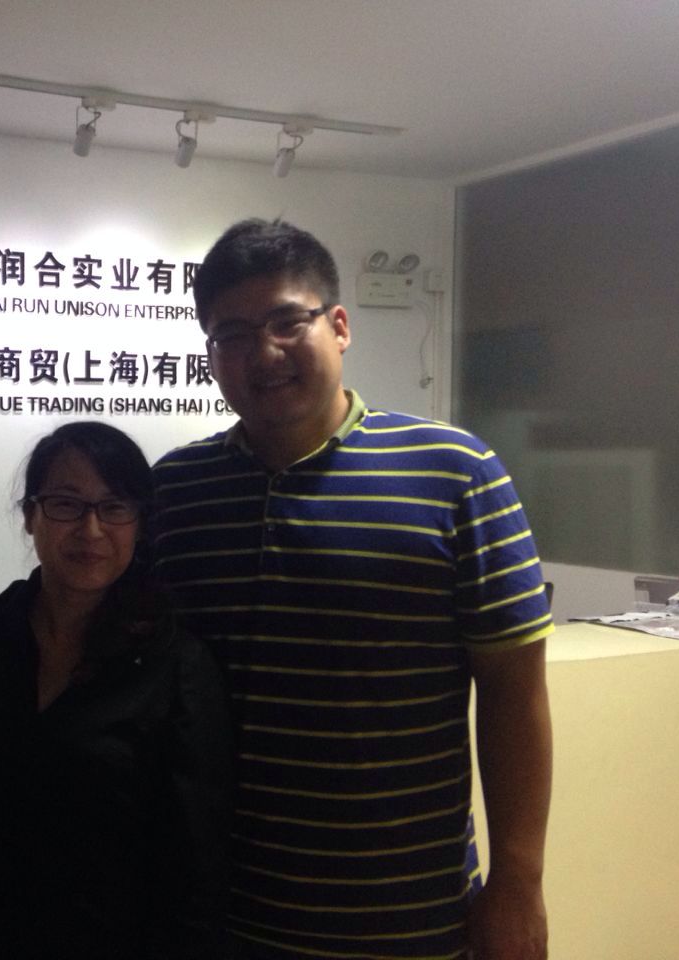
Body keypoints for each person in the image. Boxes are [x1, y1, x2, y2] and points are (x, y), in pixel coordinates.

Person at [150, 218, 553, 960]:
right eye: (231, 333)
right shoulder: (177, 491)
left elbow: (514, 692)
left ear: (338, 326)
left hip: (407, 916)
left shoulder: (456, 472)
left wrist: (518, 883)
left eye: (286, 322)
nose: (263, 352)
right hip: (222, 914)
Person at [0, 421, 233, 960]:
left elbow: (197, 863)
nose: (91, 528)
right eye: (66, 504)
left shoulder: (175, 664)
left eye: (115, 507)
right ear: (30, 515)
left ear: (140, 524)